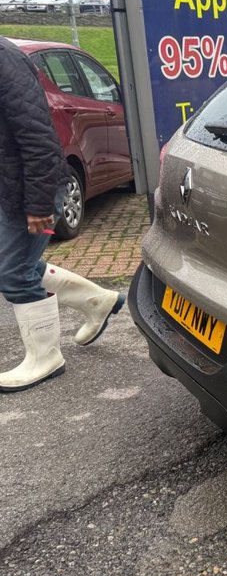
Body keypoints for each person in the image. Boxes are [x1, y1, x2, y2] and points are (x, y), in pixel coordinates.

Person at [0, 36, 124, 393]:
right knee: (22, 264)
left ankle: (45, 358)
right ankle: (98, 302)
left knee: (14, 274)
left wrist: (39, 204)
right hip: (12, 188)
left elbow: (39, 138)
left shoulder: (4, 61)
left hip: (31, 190)